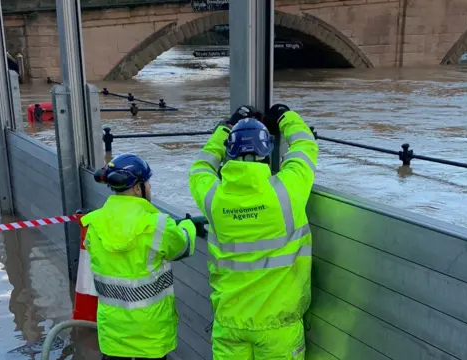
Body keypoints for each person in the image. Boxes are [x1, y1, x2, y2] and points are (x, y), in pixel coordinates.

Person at [188, 104, 319, 359]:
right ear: (267, 151)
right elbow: (305, 146)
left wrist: (225, 127)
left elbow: (200, 167)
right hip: (278, 326)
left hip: (229, 322)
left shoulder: (214, 198)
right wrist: (284, 115)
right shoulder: (286, 192)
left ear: (230, 151)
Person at [81, 153, 198, 360]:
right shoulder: (158, 225)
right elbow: (182, 247)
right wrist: (188, 225)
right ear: (137, 188)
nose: (150, 187)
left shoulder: (94, 224)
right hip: (151, 336)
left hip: (114, 336)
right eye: (147, 183)